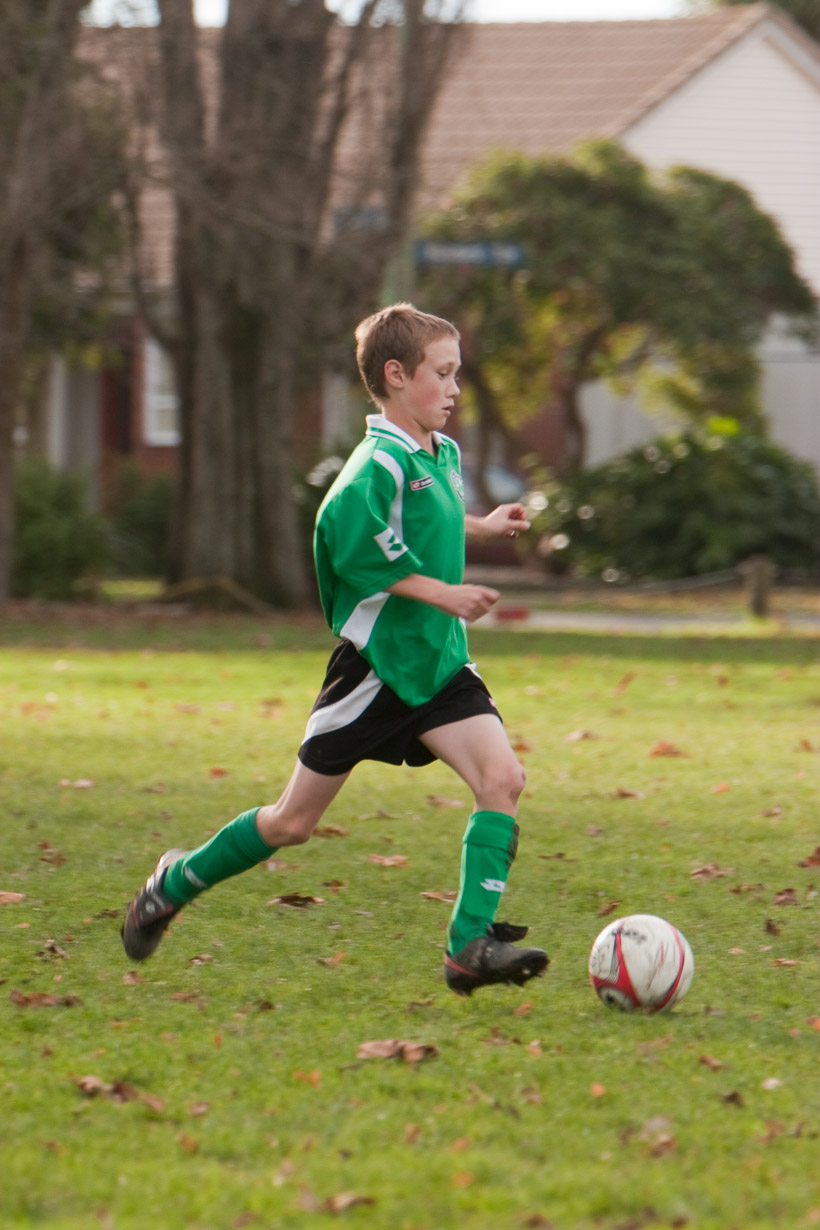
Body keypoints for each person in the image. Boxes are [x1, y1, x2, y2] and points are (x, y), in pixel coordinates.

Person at [122, 303, 548, 996]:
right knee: (292, 823)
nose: (454, 389)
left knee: (503, 779)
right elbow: (351, 546)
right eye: (442, 374)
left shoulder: (438, 452)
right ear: (395, 375)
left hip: (438, 662)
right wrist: (443, 593)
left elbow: (429, 517)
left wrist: (484, 526)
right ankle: (173, 883)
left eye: (456, 374)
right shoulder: (373, 465)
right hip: (377, 668)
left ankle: (468, 946)